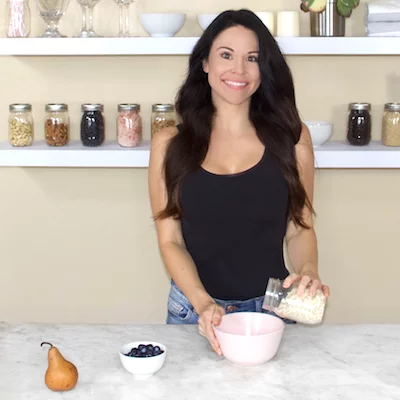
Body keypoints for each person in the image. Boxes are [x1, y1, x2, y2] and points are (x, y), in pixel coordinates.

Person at [148, 9, 330, 356]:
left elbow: (299, 227)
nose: (239, 70)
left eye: (253, 58)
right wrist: (203, 305)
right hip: (194, 312)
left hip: (273, 311)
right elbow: (170, 241)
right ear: (204, 63)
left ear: (265, 69)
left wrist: (308, 271)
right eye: (226, 55)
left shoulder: (292, 139)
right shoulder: (168, 145)